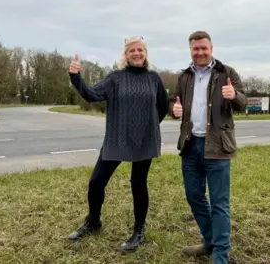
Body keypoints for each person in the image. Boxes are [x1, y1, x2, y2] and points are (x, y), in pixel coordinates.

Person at [66, 36, 168, 253]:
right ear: (126, 54)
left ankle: (139, 230)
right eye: (132, 50)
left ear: (146, 53)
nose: (137, 53)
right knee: (96, 181)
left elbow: (162, 106)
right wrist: (75, 76)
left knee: (138, 184)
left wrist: (147, 127)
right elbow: (91, 94)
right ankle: (94, 222)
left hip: (144, 140)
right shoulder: (115, 78)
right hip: (117, 137)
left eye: (140, 49)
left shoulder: (154, 79)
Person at [169, 31, 247, 263]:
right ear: (190, 50)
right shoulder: (184, 77)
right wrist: (173, 109)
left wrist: (234, 95)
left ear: (211, 48)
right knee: (194, 196)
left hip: (218, 147)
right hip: (191, 145)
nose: (200, 52)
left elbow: (243, 101)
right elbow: (175, 102)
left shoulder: (227, 73)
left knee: (219, 203)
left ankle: (221, 255)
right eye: (196, 49)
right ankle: (210, 241)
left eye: (204, 48)